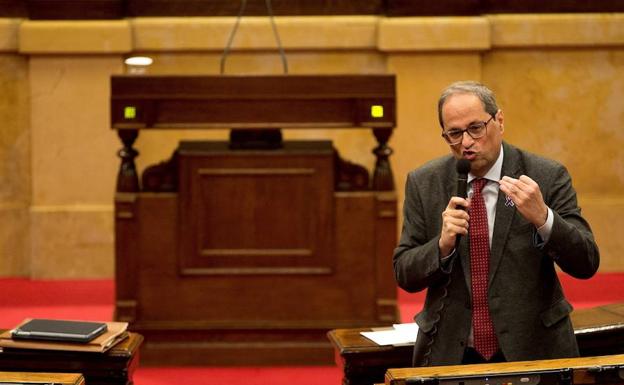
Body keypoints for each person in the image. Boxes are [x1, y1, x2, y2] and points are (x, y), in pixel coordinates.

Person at [393, 81, 600, 367]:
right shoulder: (424, 183)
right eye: (454, 133)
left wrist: (544, 218)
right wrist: (441, 246)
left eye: (475, 128)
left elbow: (586, 262)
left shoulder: (546, 175)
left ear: (499, 121)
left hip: (534, 350)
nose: (466, 142)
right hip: (452, 353)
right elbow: (404, 272)